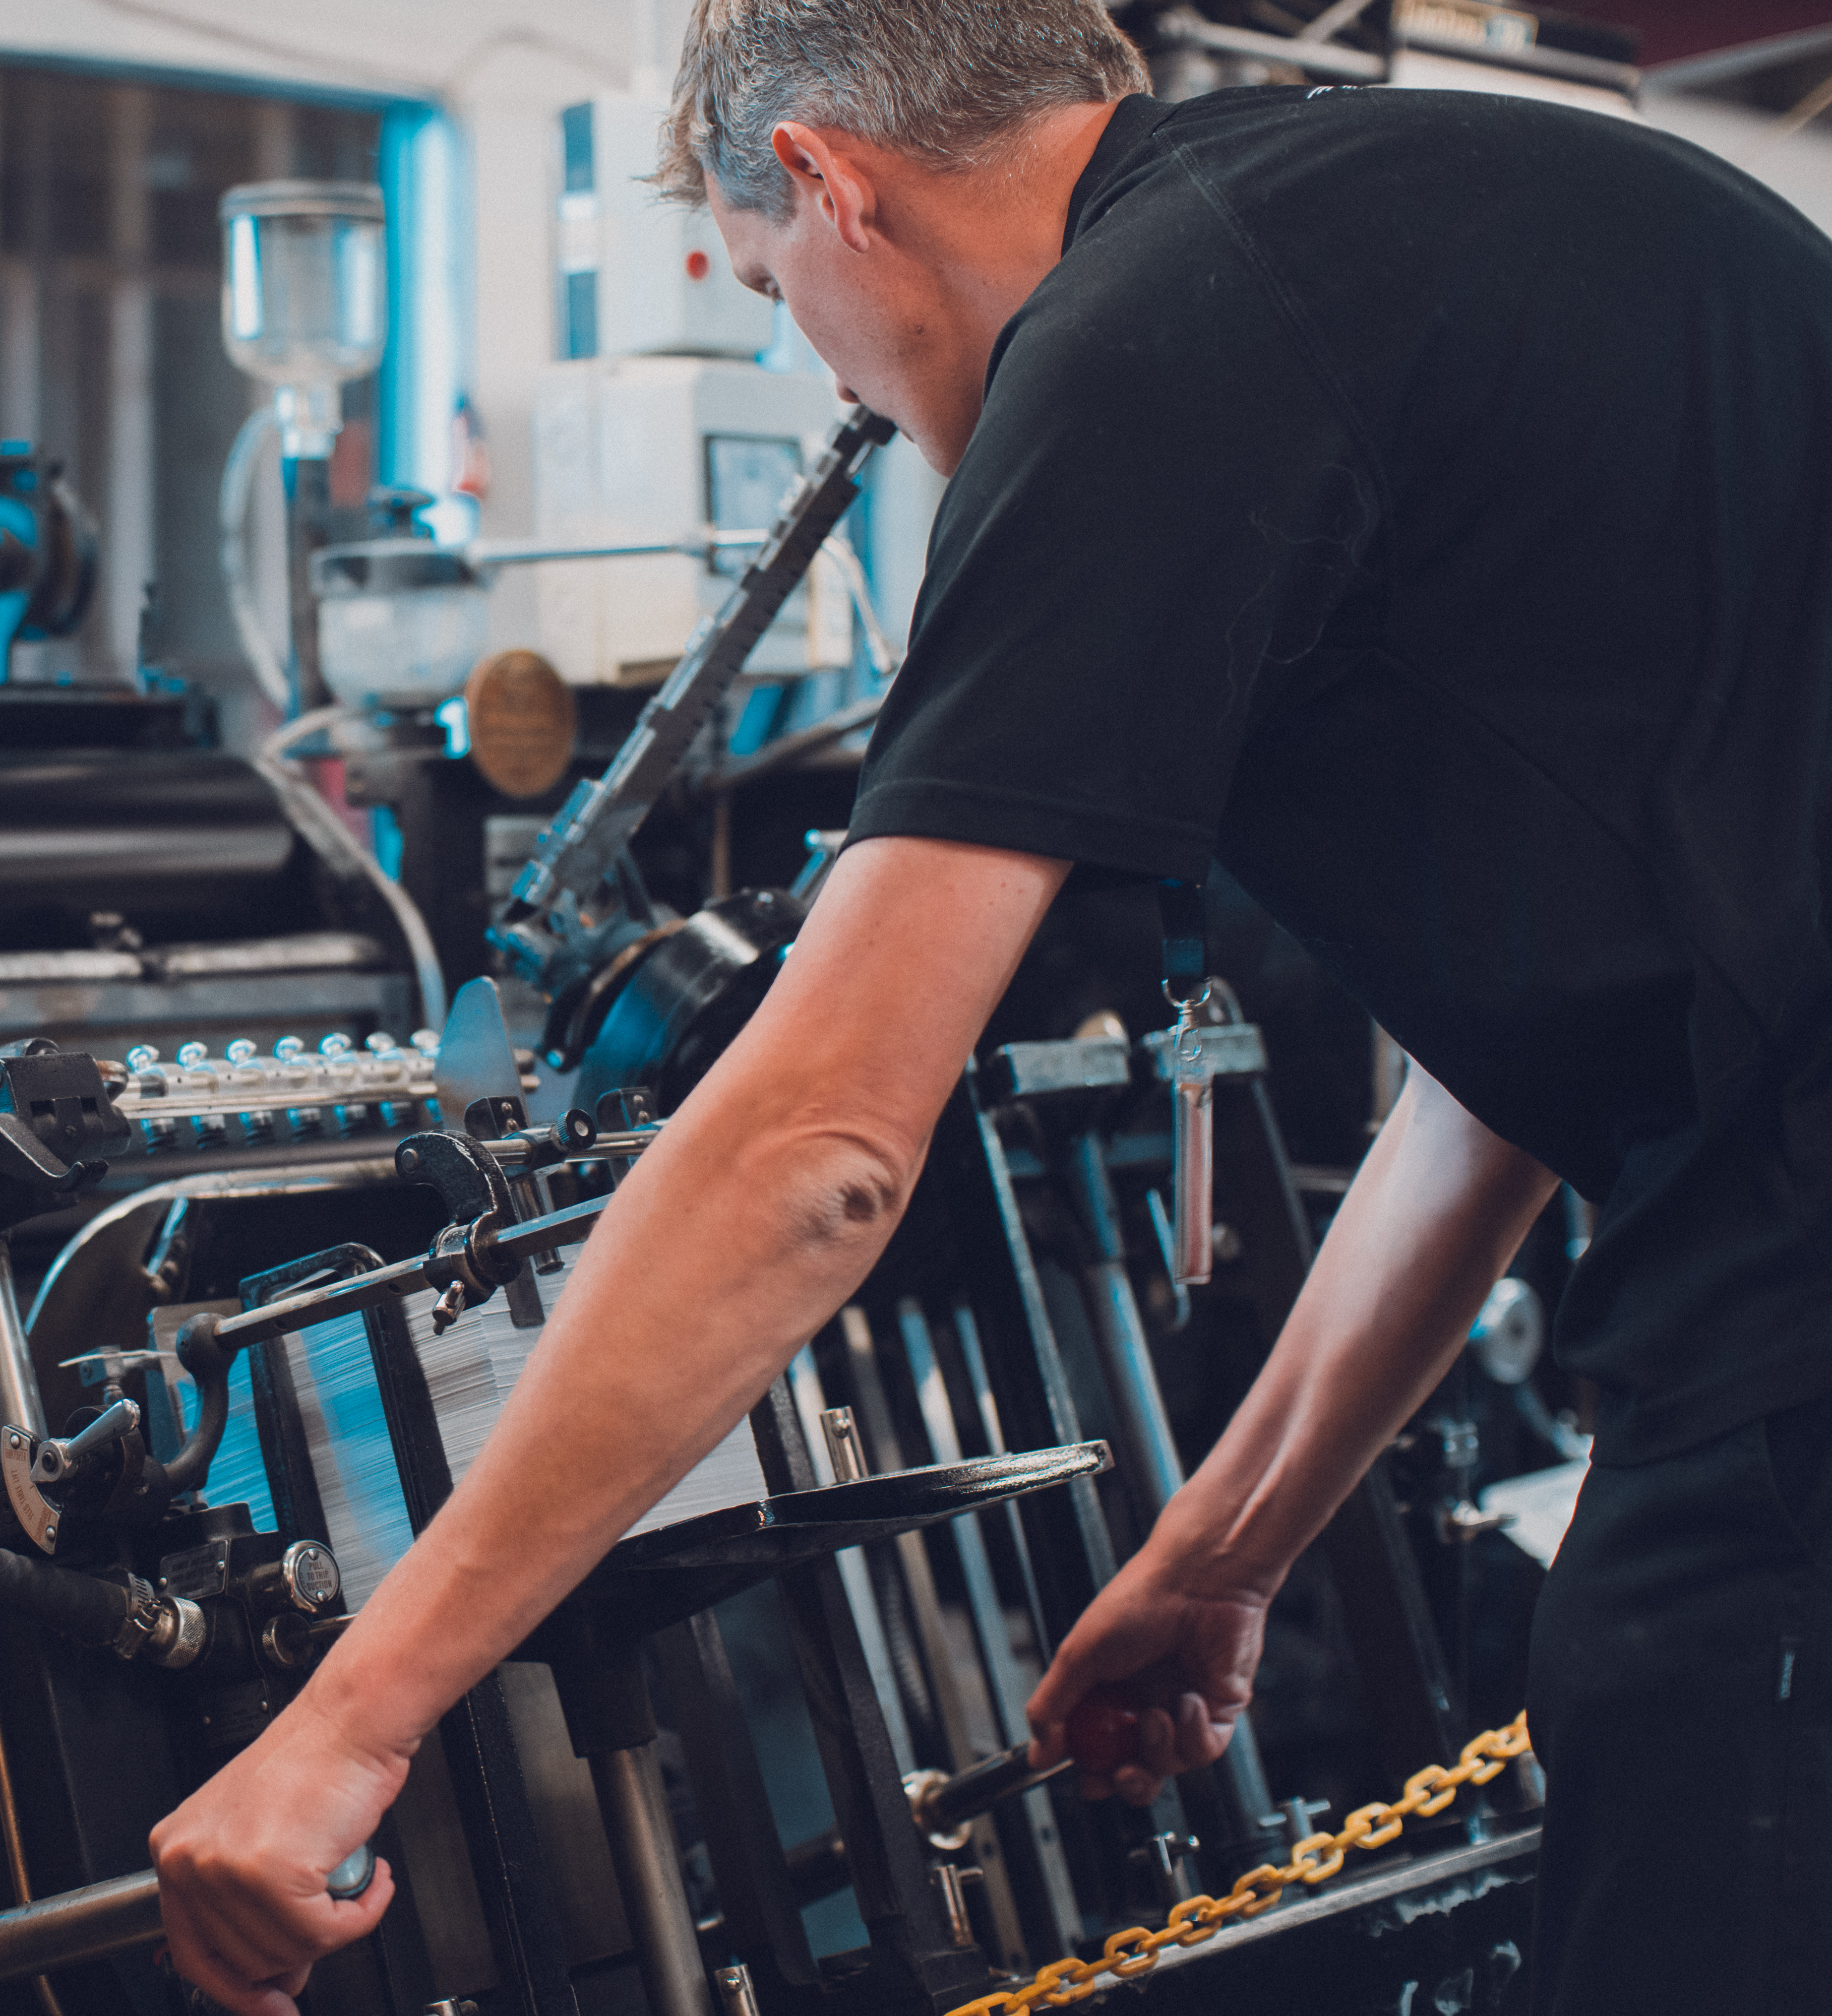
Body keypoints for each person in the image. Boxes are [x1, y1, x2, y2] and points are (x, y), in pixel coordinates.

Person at [148, 4, 1832, 2009]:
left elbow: (820, 1155)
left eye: (777, 291)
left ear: (824, 185)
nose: (813, 358)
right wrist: (1226, 1549)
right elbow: (1507, 1085)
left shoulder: (1147, 339)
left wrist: (347, 1726)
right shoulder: (1402, 217)